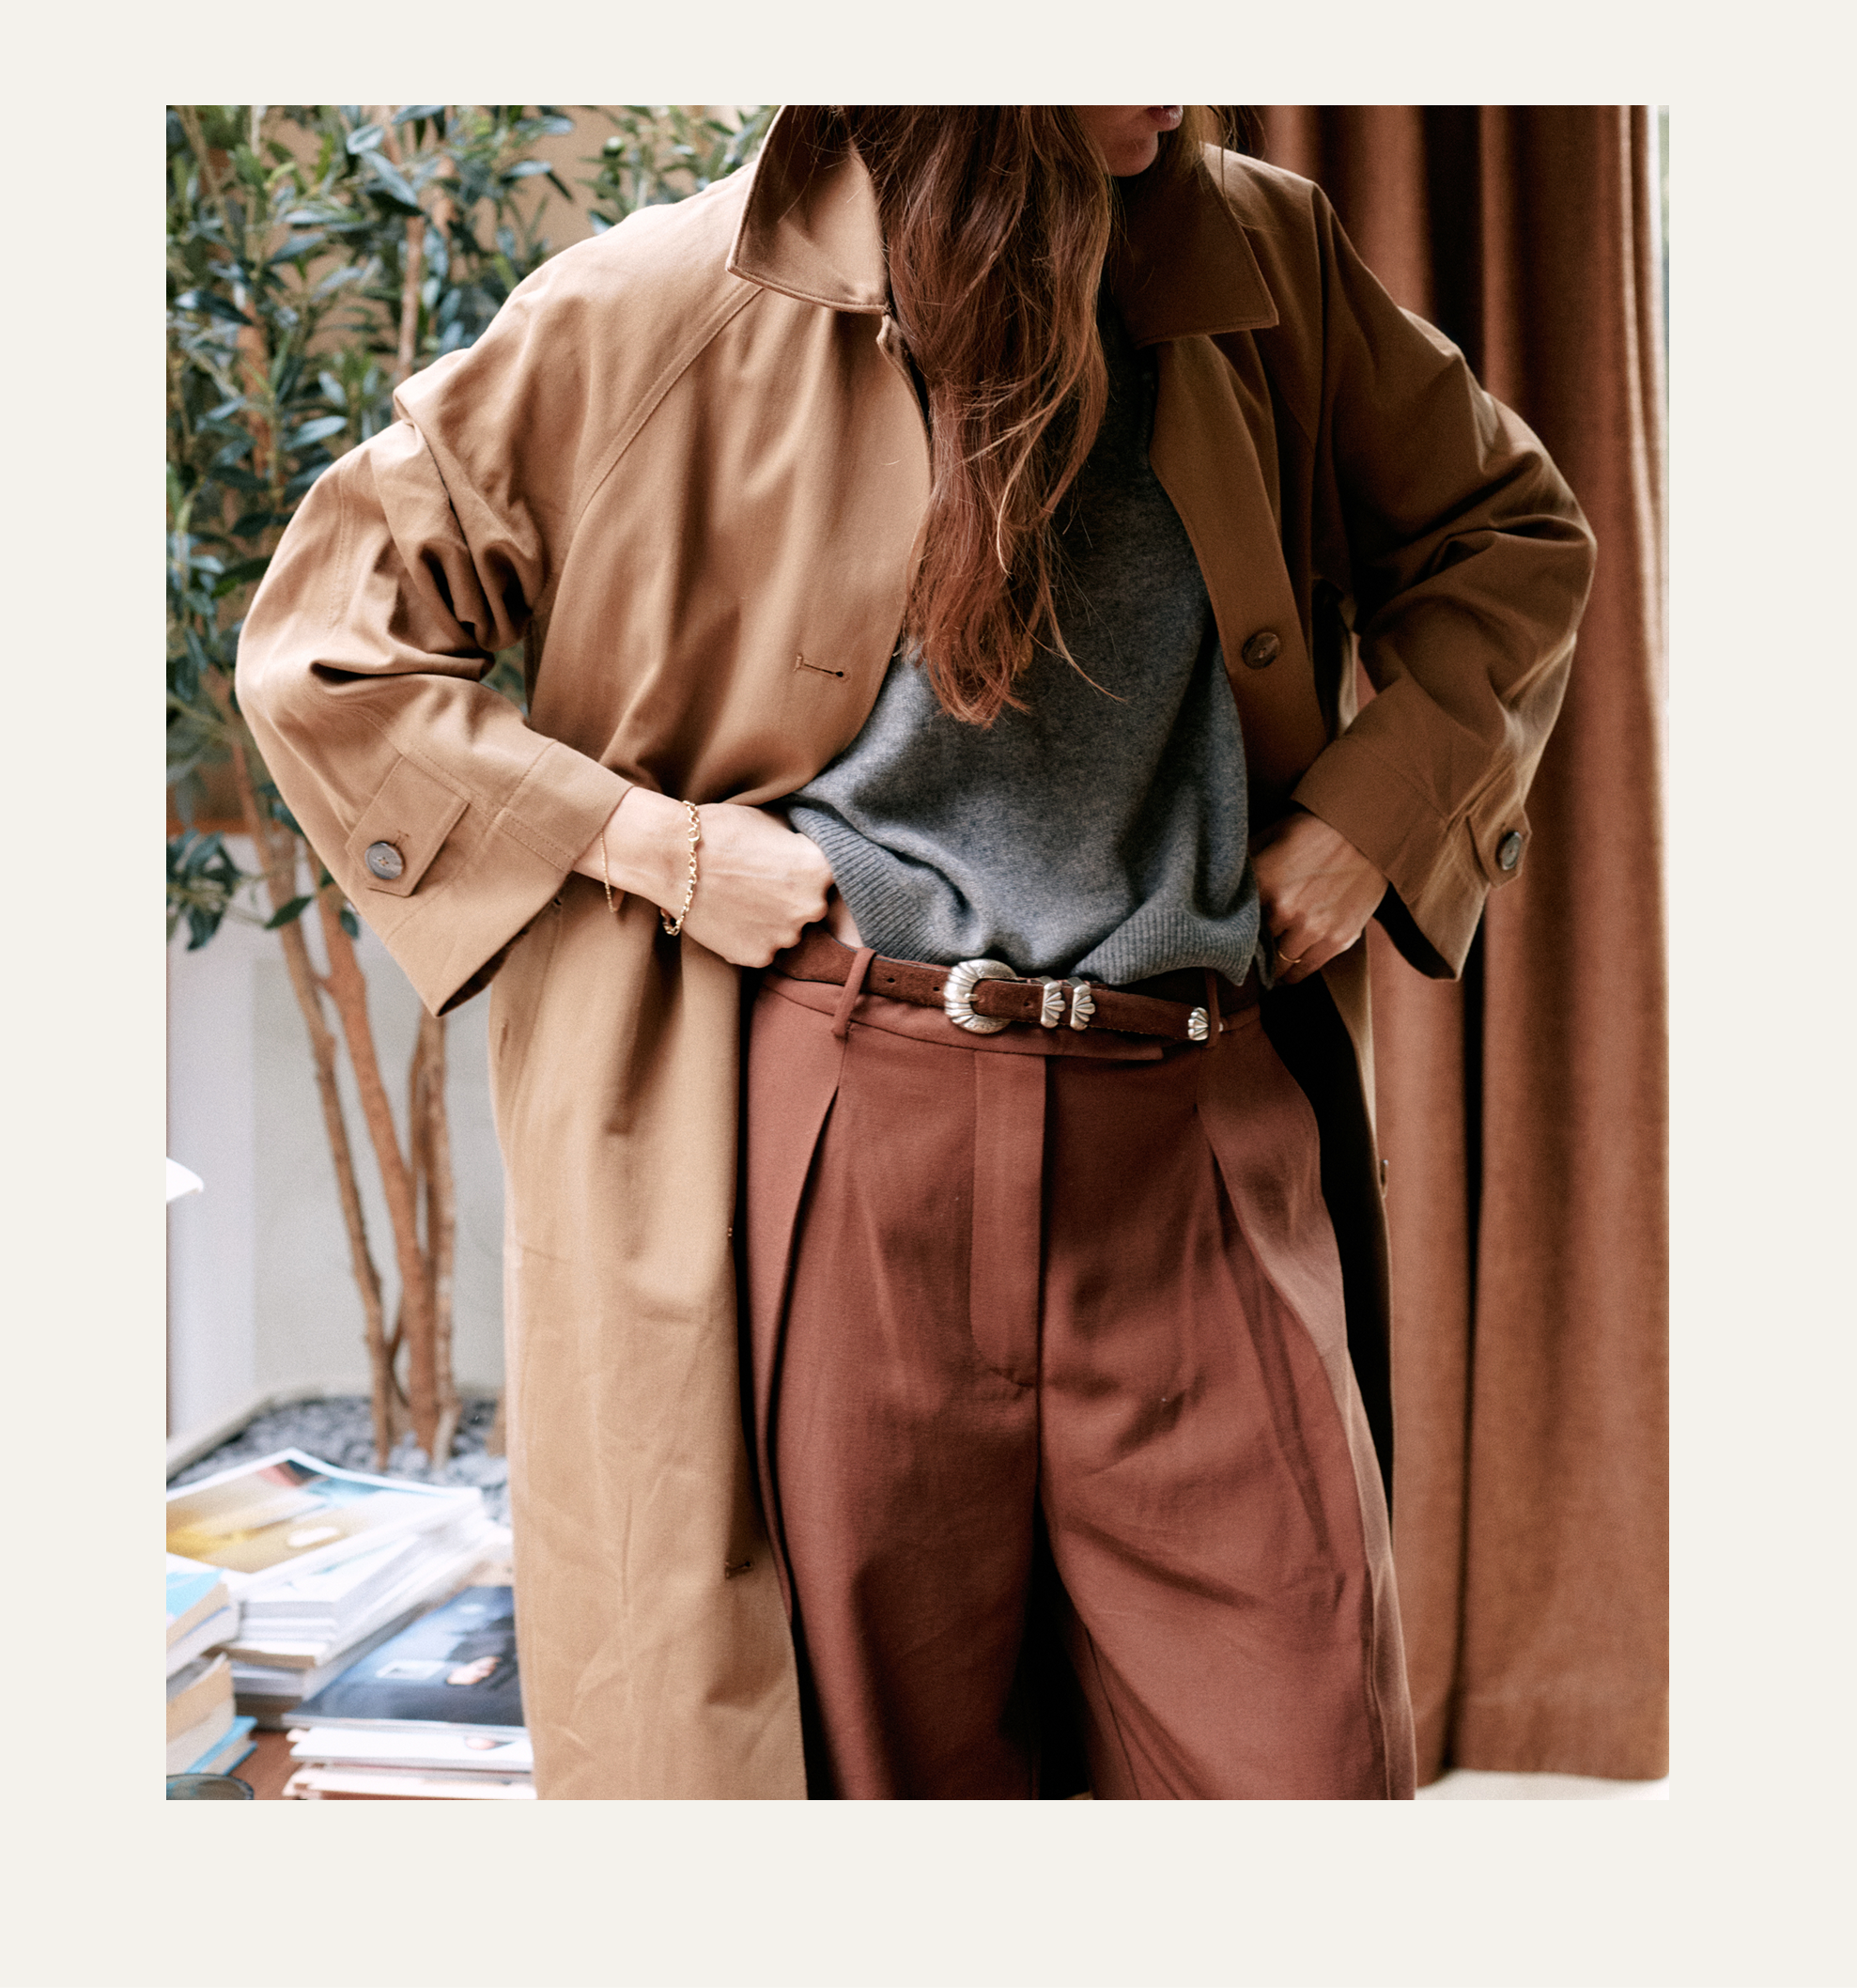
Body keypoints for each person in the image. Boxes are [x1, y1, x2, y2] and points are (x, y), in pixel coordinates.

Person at [237, 105, 1595, 1799]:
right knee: (877, 1798)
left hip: (1194, 1145)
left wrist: (1378, 813)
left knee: (1300, 1764)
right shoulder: (665, 302)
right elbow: (327, 651)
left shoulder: (1260, 254)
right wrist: (654, 848)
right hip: (841, 1143)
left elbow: (1513, 538)